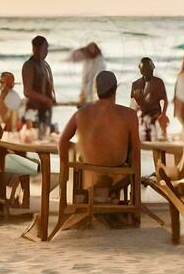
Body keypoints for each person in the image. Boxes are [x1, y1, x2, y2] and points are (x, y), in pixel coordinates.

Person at [60, 70, 139, 200]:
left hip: (89, 166)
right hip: (117, 167)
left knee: (77, 150)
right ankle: (109, 192)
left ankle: (98, 193)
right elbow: (136, 149)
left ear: (96, 90)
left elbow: (62, 141)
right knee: (132, 164)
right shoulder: (129, 115)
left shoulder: (81, 113)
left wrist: (64, 169)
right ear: (115, 89)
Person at [22, 36, 56, 135]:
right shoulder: (29, 65)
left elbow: (49, 86)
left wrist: (52, 99)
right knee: (38, 142)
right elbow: (27, 91)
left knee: (46, 140)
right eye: (45, 48)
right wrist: (45, 99)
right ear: (35, 48)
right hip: (34, 111)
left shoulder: (45, 65)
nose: (46, 51)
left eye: (47, 48)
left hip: (45, 110)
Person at [130, 57, 169, 141]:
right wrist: (133, 117)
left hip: (156, 113)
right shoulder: (135, 84)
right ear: (141, 71)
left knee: (159, 128)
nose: (150, 73)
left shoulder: (158, 82)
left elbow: (165, 100)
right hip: (142, 113)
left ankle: (161, 137)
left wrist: (163, 114)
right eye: (146, 71)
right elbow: (133, 105)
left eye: (151, 70)